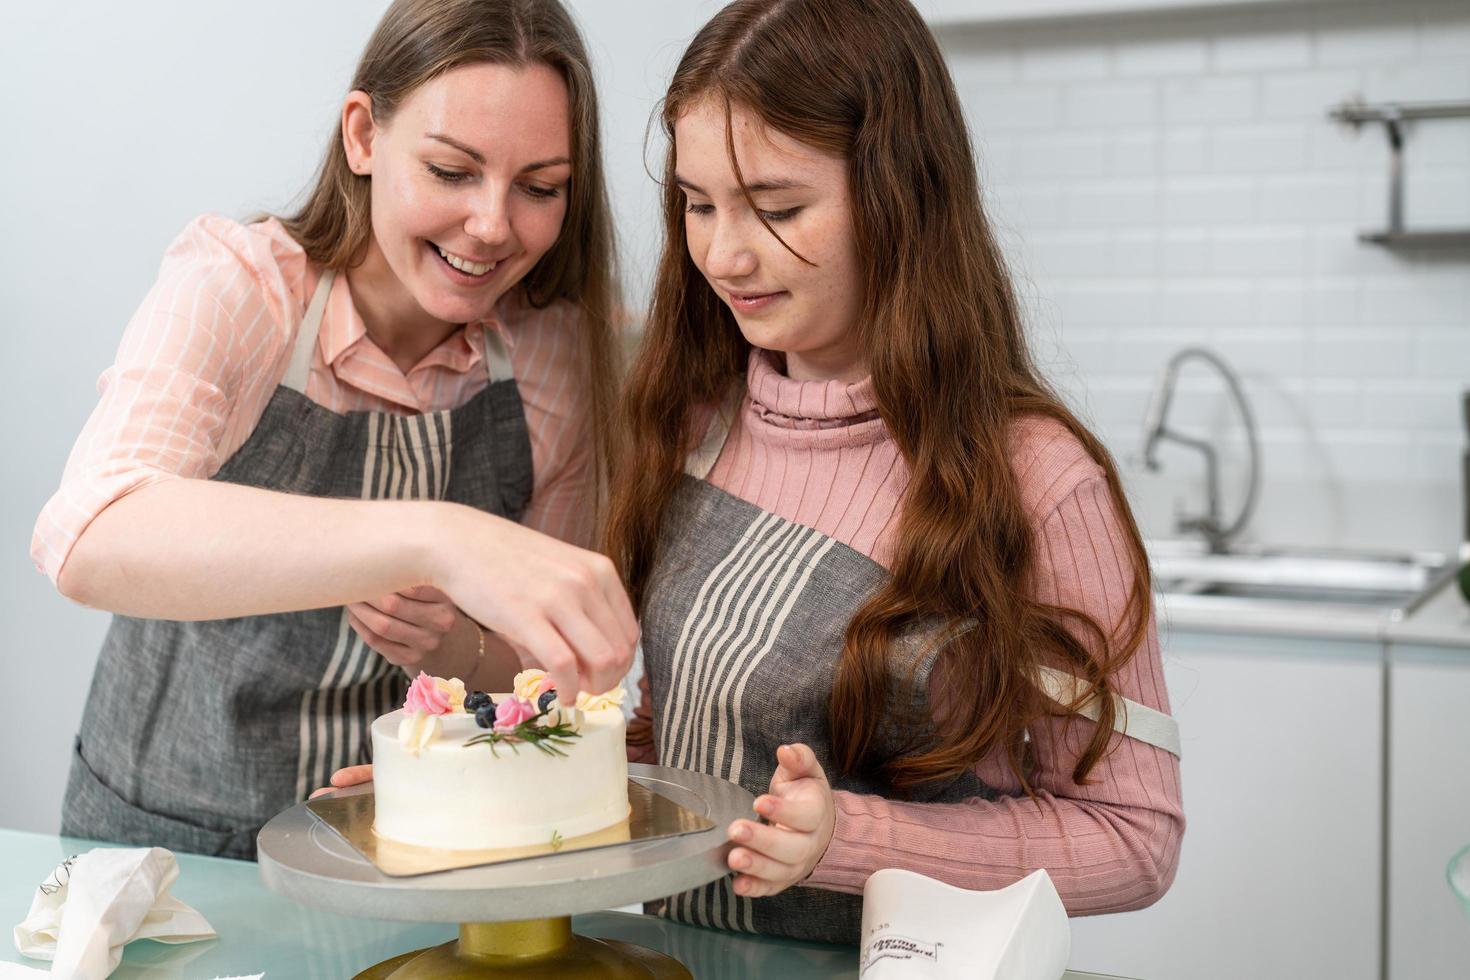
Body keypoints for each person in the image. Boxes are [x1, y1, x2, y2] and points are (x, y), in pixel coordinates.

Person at [324, 0, 1183, 946]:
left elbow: (1134, 838)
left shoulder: (1040, 481)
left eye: (777, 209)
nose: (724, 256)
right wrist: (471, 780)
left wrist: (848, 840)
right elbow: (678, 756)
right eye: (697, 205)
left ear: (899, 194)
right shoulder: (694, 423)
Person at [32, 0, 637, 860]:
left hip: (404, 849)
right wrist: (434, 537)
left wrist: (455, 643)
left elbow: (541, 680)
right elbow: (89, 536)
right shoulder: (243, 289)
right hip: (166, 844)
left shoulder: (555, 352)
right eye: (452, 170)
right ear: (362, 135)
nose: (493, 224)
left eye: (539, 187)